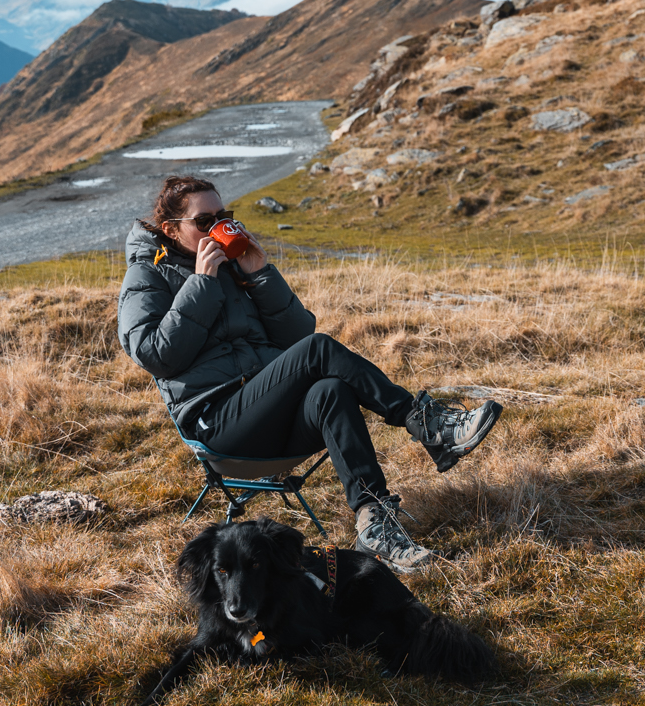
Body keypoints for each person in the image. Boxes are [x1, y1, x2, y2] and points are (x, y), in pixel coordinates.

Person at [118, 174, 499, 572]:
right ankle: (428, 424)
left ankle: (375, 525)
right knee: (320, 351)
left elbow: (297, 334)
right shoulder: (146, 275)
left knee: (331, 389)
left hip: (271, 415)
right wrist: (200, 284)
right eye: (203, 221)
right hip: (219, 426)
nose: (217, 227)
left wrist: (260, 274)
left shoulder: (233, 267)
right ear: (171, 229)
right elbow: (154, 355)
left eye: (224, 215)